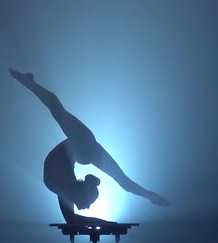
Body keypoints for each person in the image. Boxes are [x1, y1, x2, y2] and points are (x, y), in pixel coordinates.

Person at [9, 68, 169, 224]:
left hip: (78, 149)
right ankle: (29, 82)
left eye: (89, 202)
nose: (87, 207)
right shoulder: (66, 184)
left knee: (58, 111)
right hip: (81, 146)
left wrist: (151, 196)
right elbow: (75, 219)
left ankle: (29, 82)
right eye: (89, 202)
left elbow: (74, 220)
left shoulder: (64, 187)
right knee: (58, 111)